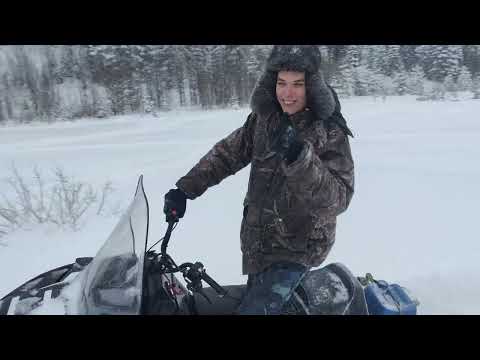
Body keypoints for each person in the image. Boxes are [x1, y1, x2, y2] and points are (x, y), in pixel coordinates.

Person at [163, 45, 354, 315]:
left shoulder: (328, 129)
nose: (287, 94)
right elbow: (227, 155)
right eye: (282, 83)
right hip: (259, 245)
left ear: (311, 85)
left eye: (297, 84)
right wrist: (184, 190)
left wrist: (299, 156)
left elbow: (339, 198)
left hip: (298, 248)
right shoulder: (264, 120)